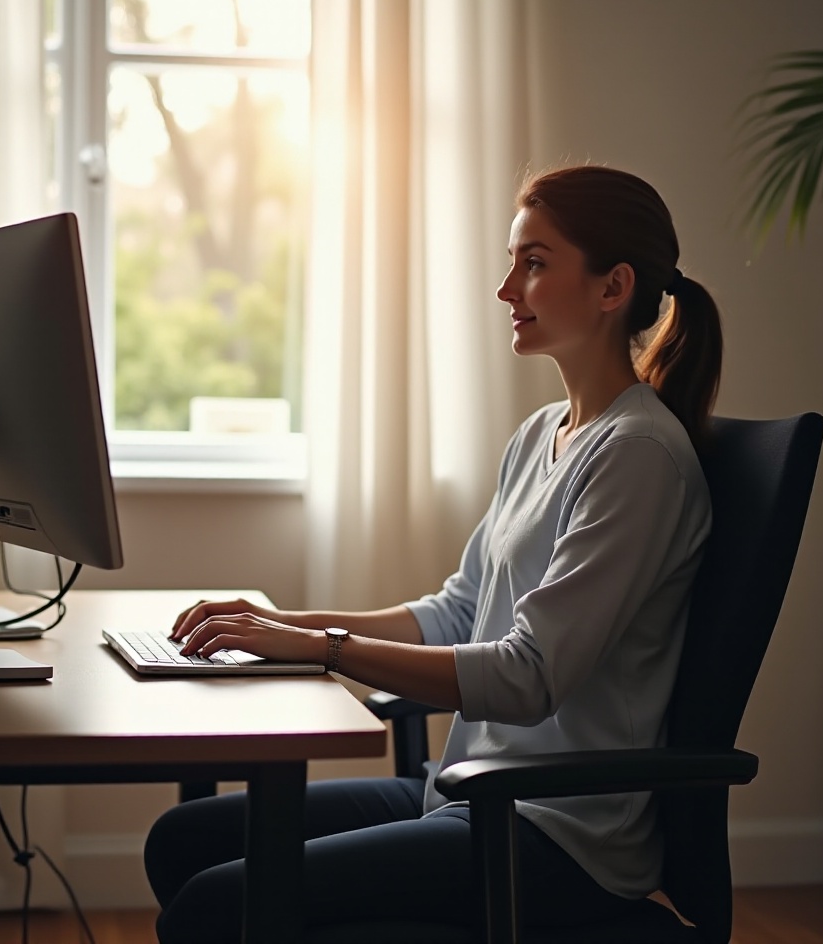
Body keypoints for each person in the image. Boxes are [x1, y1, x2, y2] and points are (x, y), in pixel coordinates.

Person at [143, 164, 724, 942]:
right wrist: (275, 625)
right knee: (184, 841)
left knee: (216, 907)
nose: (507, 288)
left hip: (554, 835)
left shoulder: (639, 456)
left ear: (612, 286)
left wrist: (321, 649)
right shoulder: (541, 435)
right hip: (469, 792)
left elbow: (529, 677)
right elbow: (457, 612)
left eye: (535, 263)